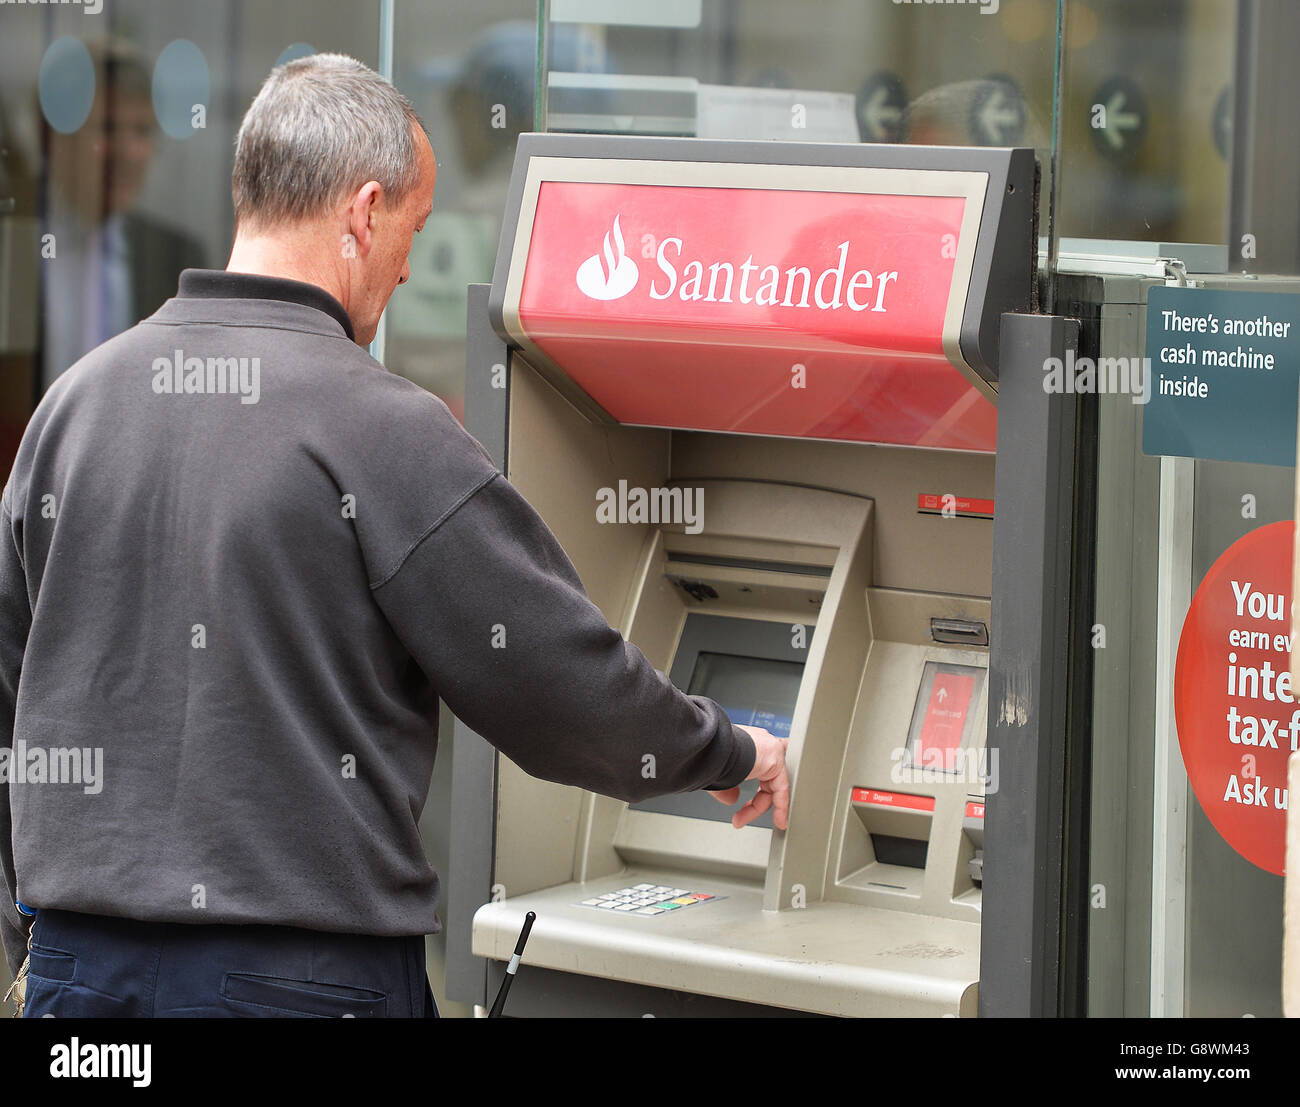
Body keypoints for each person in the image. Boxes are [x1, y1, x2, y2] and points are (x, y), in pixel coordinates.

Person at [0, 52, 788, 1018]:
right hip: (294, 983)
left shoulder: (73, 407)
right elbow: (557, 680)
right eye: (410, 230)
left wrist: (27, 936)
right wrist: (733, 752)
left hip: (82, 979)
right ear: (364, 213)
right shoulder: (383, 428)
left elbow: (11, 694)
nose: (411, 264)